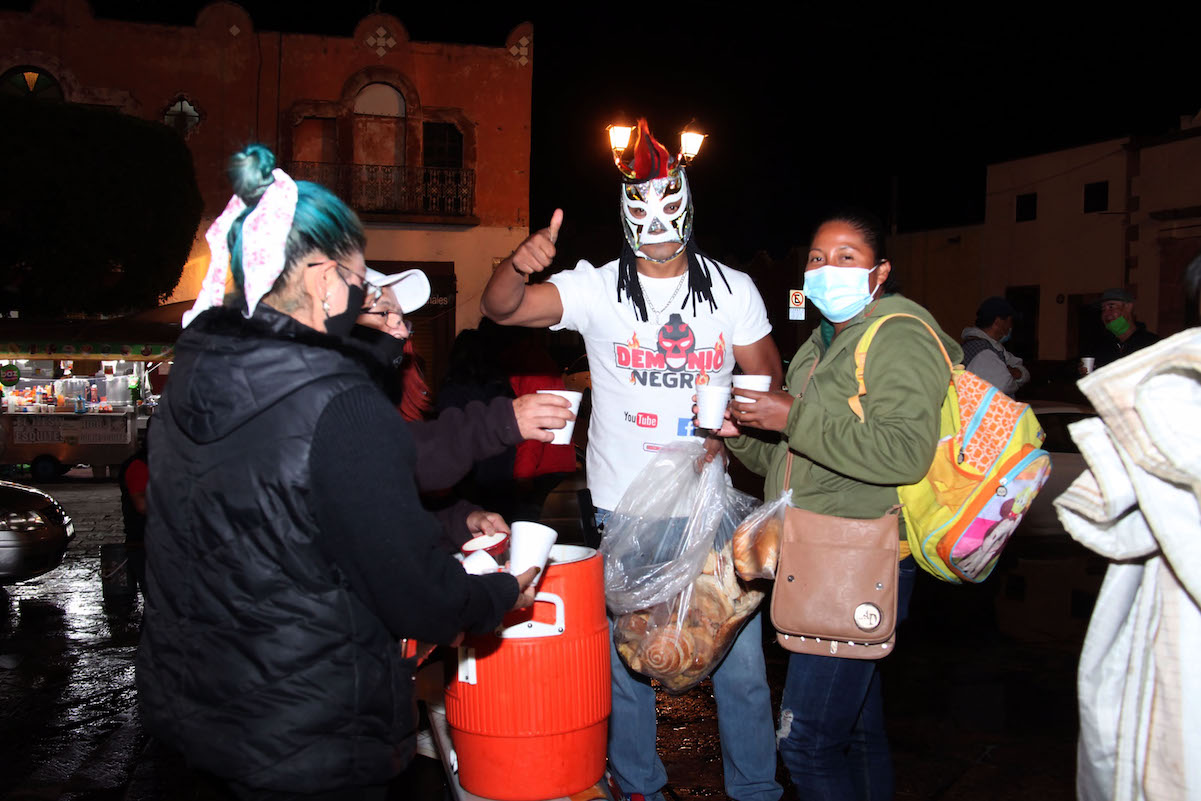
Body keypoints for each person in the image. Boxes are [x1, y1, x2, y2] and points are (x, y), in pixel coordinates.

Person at [136, 144, 538, 801]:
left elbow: (291, 521)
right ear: (323, 281)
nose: (363, 293)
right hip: (308, 734)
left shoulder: (196, 373)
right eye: (357, 277)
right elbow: (418, 596)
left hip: (201, 719)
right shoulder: (342, 405)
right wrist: (498, 596)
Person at [480, 119, 783, 801]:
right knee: (629, 658)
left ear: (688, 205)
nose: (654, 223)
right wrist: (519, 261)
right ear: (622, 217)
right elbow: (501, 308)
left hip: (706, 503)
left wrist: (734, 415)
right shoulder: (595, 288)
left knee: (737, 663)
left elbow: (765, 374)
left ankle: (755, 790)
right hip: (624, 504)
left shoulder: (730, 289)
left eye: (666, 204)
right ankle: (638, 784)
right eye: (639, 209)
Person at [720, 209, 961, 800]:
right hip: (818, 550)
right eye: (817, 258)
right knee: (855, 733)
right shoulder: (821, 343)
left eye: (846, 257)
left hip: (859, 560)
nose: (828, 268)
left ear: (880, 271)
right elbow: (798, 463)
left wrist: (790, 415)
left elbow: (902, 453)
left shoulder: (898, 334)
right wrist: (743, 435)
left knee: (804, 743)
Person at [353, 278, 574, 548]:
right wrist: (503, 422)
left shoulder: (383, 392)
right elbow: (398, 457)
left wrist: (459, 519)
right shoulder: (326, 403)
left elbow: (393, 503)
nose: (399, 330)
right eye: (385, 313)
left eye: (401, 317)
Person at [960, 296, 1029, 396]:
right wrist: (1013, 376)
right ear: (998, 322)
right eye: (1009, 321)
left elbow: (1023, 372)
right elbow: (1004, 385)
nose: (1011, 327)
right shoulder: (982, 352)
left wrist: (1018, 373)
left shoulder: (992, 347)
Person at [1087, 287, 1159, 367]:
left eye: (1111, 307)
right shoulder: (1101, 347)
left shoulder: (1151, 345)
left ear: (1129, 307)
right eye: (1103, 309)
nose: (1106, 314)